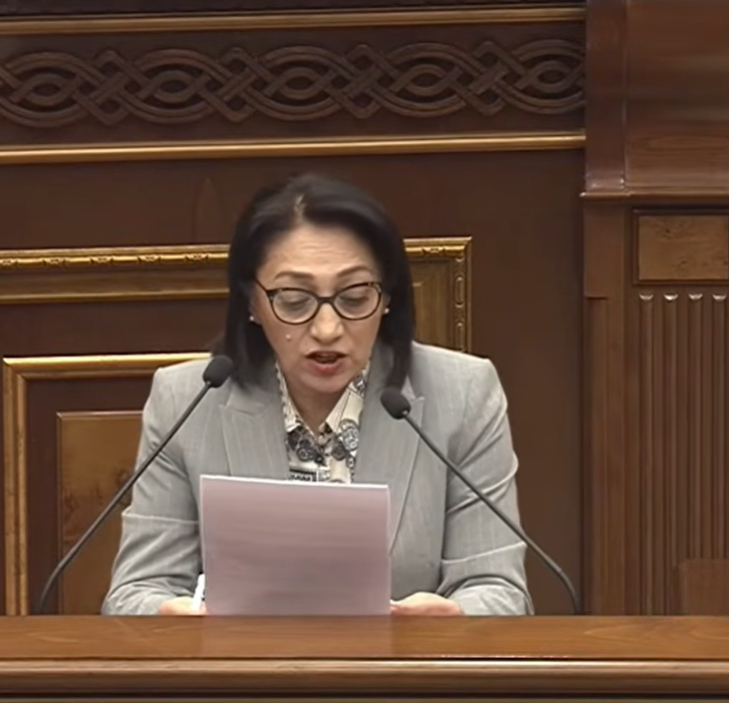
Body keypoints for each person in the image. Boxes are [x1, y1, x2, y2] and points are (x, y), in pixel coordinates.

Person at [102, 172, 531, 616]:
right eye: (294, 300)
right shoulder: (186, 401)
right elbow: (136, 592)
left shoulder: (463, 394)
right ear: (252, 302)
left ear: (387, 297)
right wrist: (175, 620)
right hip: (239, 663)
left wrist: (453, 621)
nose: (327, 329)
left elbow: (498, 589)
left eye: (354, 296)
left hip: (406, 662)